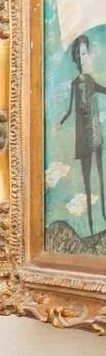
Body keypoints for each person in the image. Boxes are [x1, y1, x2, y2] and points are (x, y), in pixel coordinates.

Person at [58, 31, 106, 237]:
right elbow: (69, 109)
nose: (85, 58)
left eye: (86, 54)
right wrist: (60, 122)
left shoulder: (90, 80)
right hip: (82, 138)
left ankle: (103, 215)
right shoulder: (75, 84)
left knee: (101, 177)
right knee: (87, 180)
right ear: (77, 59)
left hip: (95, 134)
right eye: (82, 55)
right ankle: (90, 223)